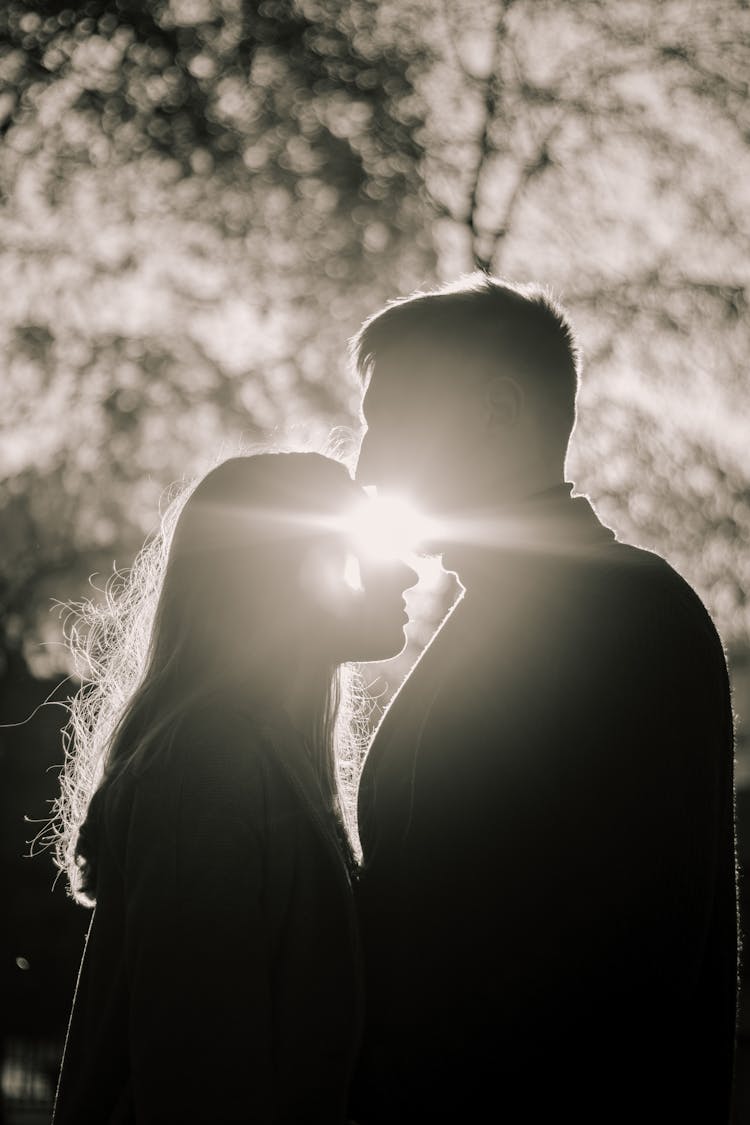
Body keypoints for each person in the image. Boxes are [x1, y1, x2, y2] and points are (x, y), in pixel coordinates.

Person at [349, 275, 738, 1123]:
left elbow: (630, 972)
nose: (367, 466)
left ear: (498, 409)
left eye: (394, 425)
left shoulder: (630, 617)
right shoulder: (498, 612)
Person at [51, 452, 416, 1124]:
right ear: (284, 578)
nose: (407, 570)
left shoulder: (260, 757)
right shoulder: (209, 770)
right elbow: (199, 1090)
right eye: (366, 548)